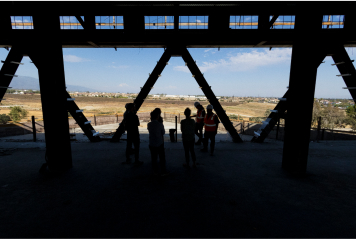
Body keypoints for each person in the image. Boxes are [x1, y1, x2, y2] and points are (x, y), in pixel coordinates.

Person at [147, 109, 168, 176]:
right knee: (161, 158)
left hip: (152, 143)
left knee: (154, 158)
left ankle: (155, 172)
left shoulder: (149, 124)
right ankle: (163, 172)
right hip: (159, 143)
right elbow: (163, 132)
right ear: (157, 116)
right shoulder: (160, 124)